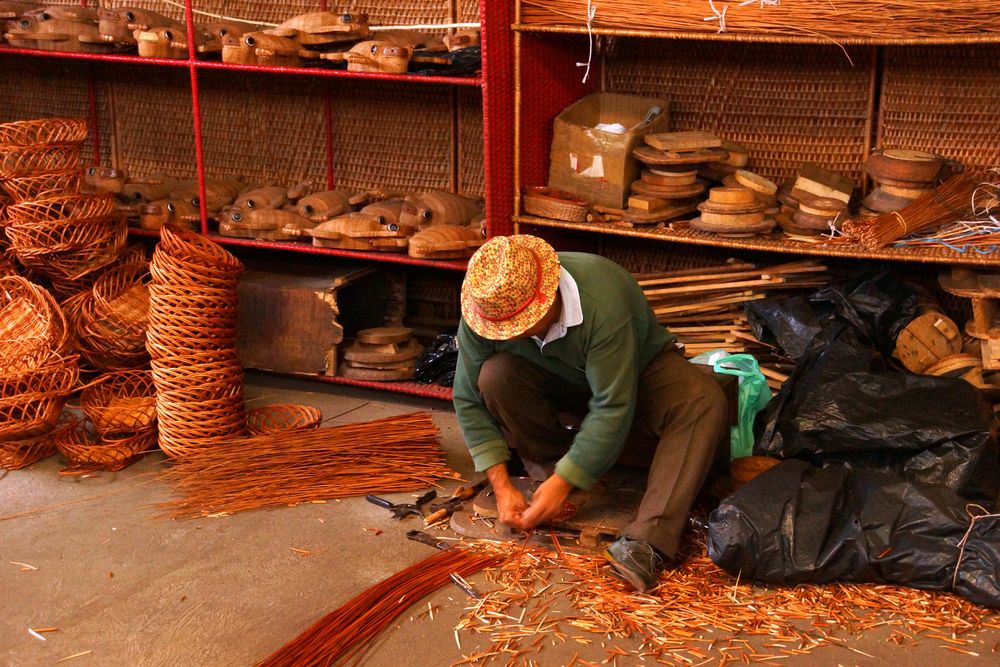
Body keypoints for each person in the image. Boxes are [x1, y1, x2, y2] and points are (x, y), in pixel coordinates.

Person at [453, 234, 728, 593]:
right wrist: (501, 484)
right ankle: (546, 472)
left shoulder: (603, 298)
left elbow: (612, 404)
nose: (511, 335)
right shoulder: (486, 307)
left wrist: (569, 478)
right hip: (557, 375)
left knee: (701, 400)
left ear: (547, 297)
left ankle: (649, 539)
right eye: (505, 329)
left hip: (636, 371)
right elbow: (467, 397)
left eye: (520, 326)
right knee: (495, 374)